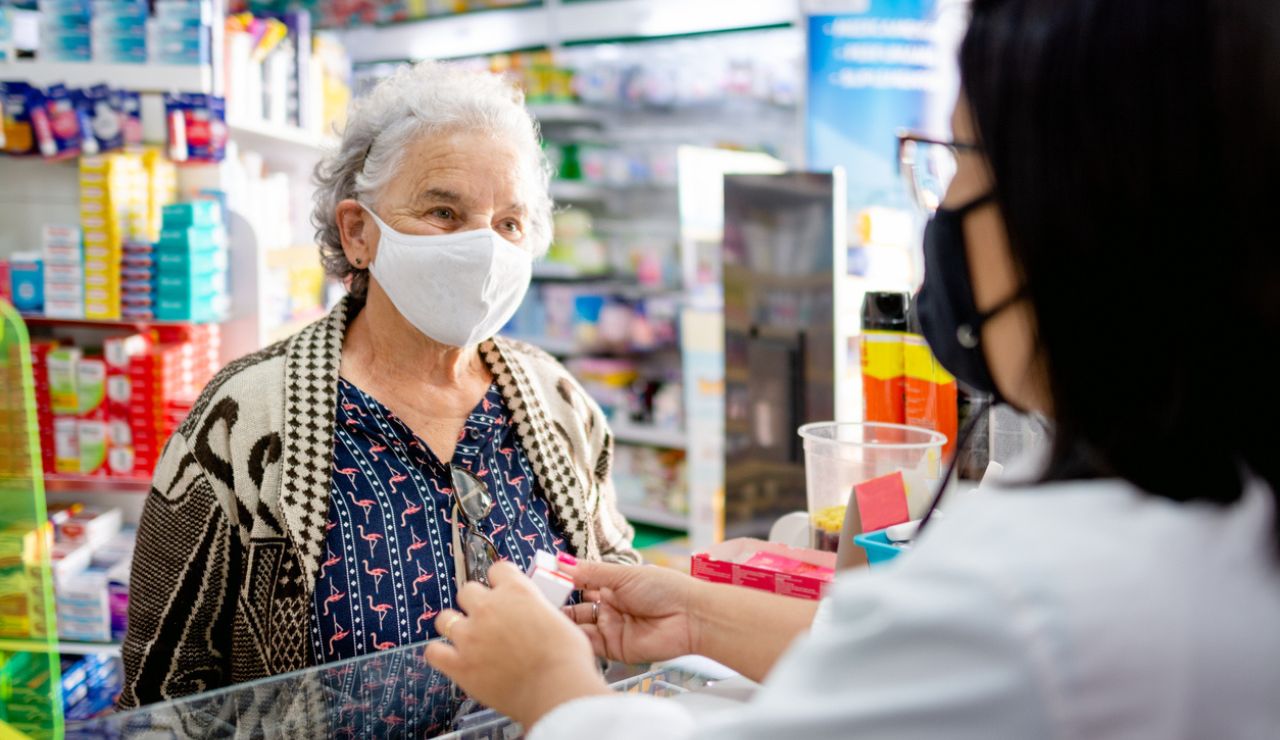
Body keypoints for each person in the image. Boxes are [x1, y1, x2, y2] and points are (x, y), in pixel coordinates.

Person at [422, 1, 1280, 736]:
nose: (942, 216)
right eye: (442, 212)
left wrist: (555, 694)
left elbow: (946, 659)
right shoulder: (1212, 514)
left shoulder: (1041, 595)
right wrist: (700, 614)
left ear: (1076, 213)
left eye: (962, 164)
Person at [118, 62, 639, 709]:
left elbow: (614, 575)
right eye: (444, 211)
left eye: (509, 223)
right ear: (358, 232)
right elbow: (162, 687)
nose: (483, 248)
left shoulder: (557, 400)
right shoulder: (242, 420)